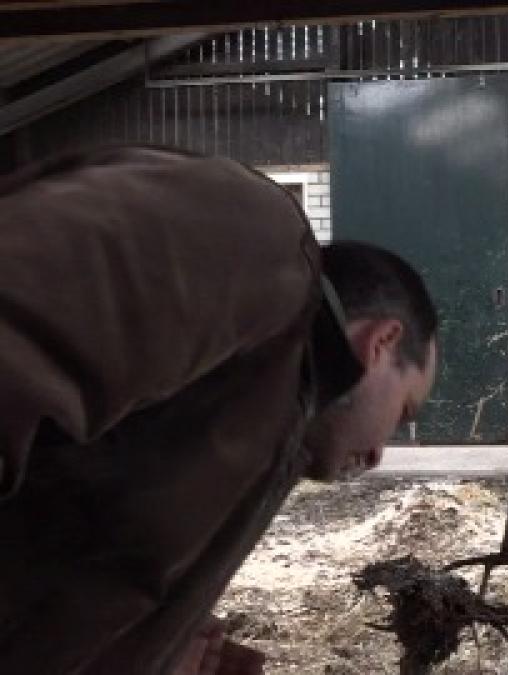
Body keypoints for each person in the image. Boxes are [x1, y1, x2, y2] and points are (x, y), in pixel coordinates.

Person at [0, 146, 439, 674]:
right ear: (381, 343)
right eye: (403, 411)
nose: (378, 454)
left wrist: (154, 650)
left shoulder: (261, 423)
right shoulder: (252, 232)